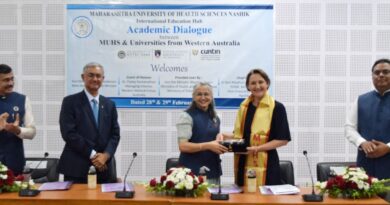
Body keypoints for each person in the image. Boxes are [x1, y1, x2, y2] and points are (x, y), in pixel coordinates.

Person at [221, 69, 291, 186]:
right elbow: (241, 135)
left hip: (267, 162)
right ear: (248, 86)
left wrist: (258, 148)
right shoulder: (244, 107)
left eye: (261, 82)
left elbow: (283, 139)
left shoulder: (277, 108)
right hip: (243, 160)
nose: (257, 86)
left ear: (267, 84)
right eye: (253, 83)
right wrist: (224, 136)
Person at [58, 62, 120, 183]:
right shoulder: (70, 102)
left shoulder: (109, 105)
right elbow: (69, 133)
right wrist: (93, 155)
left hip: (104, 168)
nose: (95, 79)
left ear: (103, 79)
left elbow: (115, 135)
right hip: (76, 167)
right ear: (83, 77)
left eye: (98, 76)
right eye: (91, 75)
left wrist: (106, 156)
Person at [345, 58, 390, 180]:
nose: (380, 75)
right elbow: (349, 128)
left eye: (385, 72)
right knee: (366, 199)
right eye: (377, 72)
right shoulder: (361, 100)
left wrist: (387, 147)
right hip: (366, 165)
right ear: (372, 76)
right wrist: (362, 142)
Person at [177, 82, 228, 183]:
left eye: (206, 94)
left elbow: (212, 141)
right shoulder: (186, 116)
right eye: (199, 94)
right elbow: (183, 146)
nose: (203, 97)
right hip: (192, 173)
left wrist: (221, 142)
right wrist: (208, 145)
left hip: (213, 170)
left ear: (211, 96)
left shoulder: (215, 118)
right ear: (194, 97)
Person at [0, 64, 36, 175]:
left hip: (15, 164)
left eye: (12, 79)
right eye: (6, 80)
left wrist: (17, 130)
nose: (11, 83)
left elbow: (32, 132)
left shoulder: (22, 99)